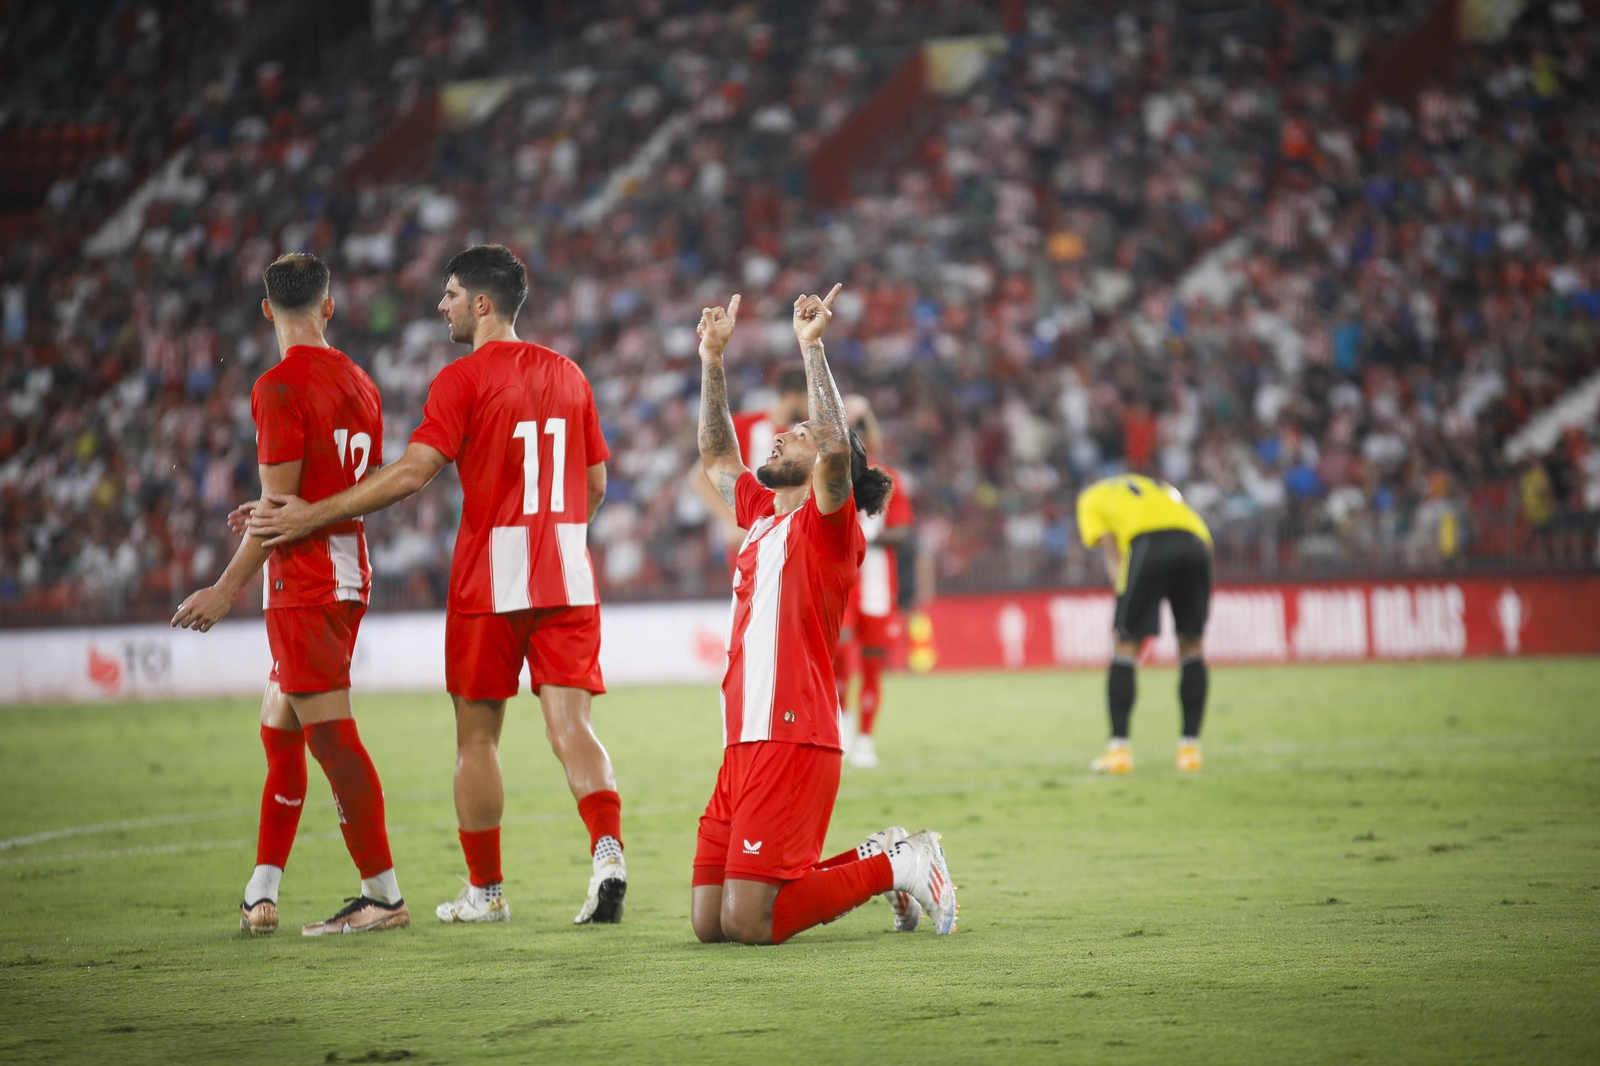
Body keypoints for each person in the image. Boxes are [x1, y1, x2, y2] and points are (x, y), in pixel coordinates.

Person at [249, 244, 627, 925]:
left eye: (451, 295)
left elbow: (410, 474)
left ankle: (484, 893)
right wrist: (557, 532)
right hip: (567, 567)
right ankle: (607, 852)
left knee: (477, 740)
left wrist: (314, 511)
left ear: (482, 303)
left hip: (490, 577)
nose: (441, 305)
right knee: (572, 726)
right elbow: (595, 486)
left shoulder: (463, 380)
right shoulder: (570, 375)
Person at [689, 283, 958, 945]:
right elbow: (718, 458)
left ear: (824, 470)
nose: (783, 434)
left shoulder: (828, 527)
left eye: (800, 436)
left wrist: (813, 350)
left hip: (793, 732)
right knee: (709, 924)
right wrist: (712, 361)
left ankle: (900, 862)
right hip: (742, 738)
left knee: (751, 924)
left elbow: (837, 448)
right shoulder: (758, 514)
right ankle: (887, 858)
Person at [173, 252, 408, 936]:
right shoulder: (362, 381)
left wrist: (223, 589)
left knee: (330, 737)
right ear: (328, 307)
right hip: (342, 564)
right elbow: (321, 486)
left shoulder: (277, 386)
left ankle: (383, 895)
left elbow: (283, 510)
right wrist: (279, 506)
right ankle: (262, 891)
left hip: (306, 579)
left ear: (267, 310)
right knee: (280, 724)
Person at [1075, 473, 1214, 774]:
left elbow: (1111, 549)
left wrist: (1123, 602)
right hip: (1196, 543)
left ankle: (1119, 751)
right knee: (1192, 646)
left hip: (1149, 544)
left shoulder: (1091, 497)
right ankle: (1190, 751)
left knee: (1124, 645)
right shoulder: (1157, 485)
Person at [834, 394, 915, 769]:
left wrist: (865, 537)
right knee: (839, 655)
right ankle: (843, 727)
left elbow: (901, 532)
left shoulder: (886, 478)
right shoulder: (831, 477)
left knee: (871, 663)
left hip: (879, 586)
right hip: (843, 583)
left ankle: (865, 741)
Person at [689, 366, 811, 545]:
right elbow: (700, 477)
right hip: (753, 539)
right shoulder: (744, 426)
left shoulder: (802, 436)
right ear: (793, 397)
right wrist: (731, 522)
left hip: (793, 538)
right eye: (808, 399)